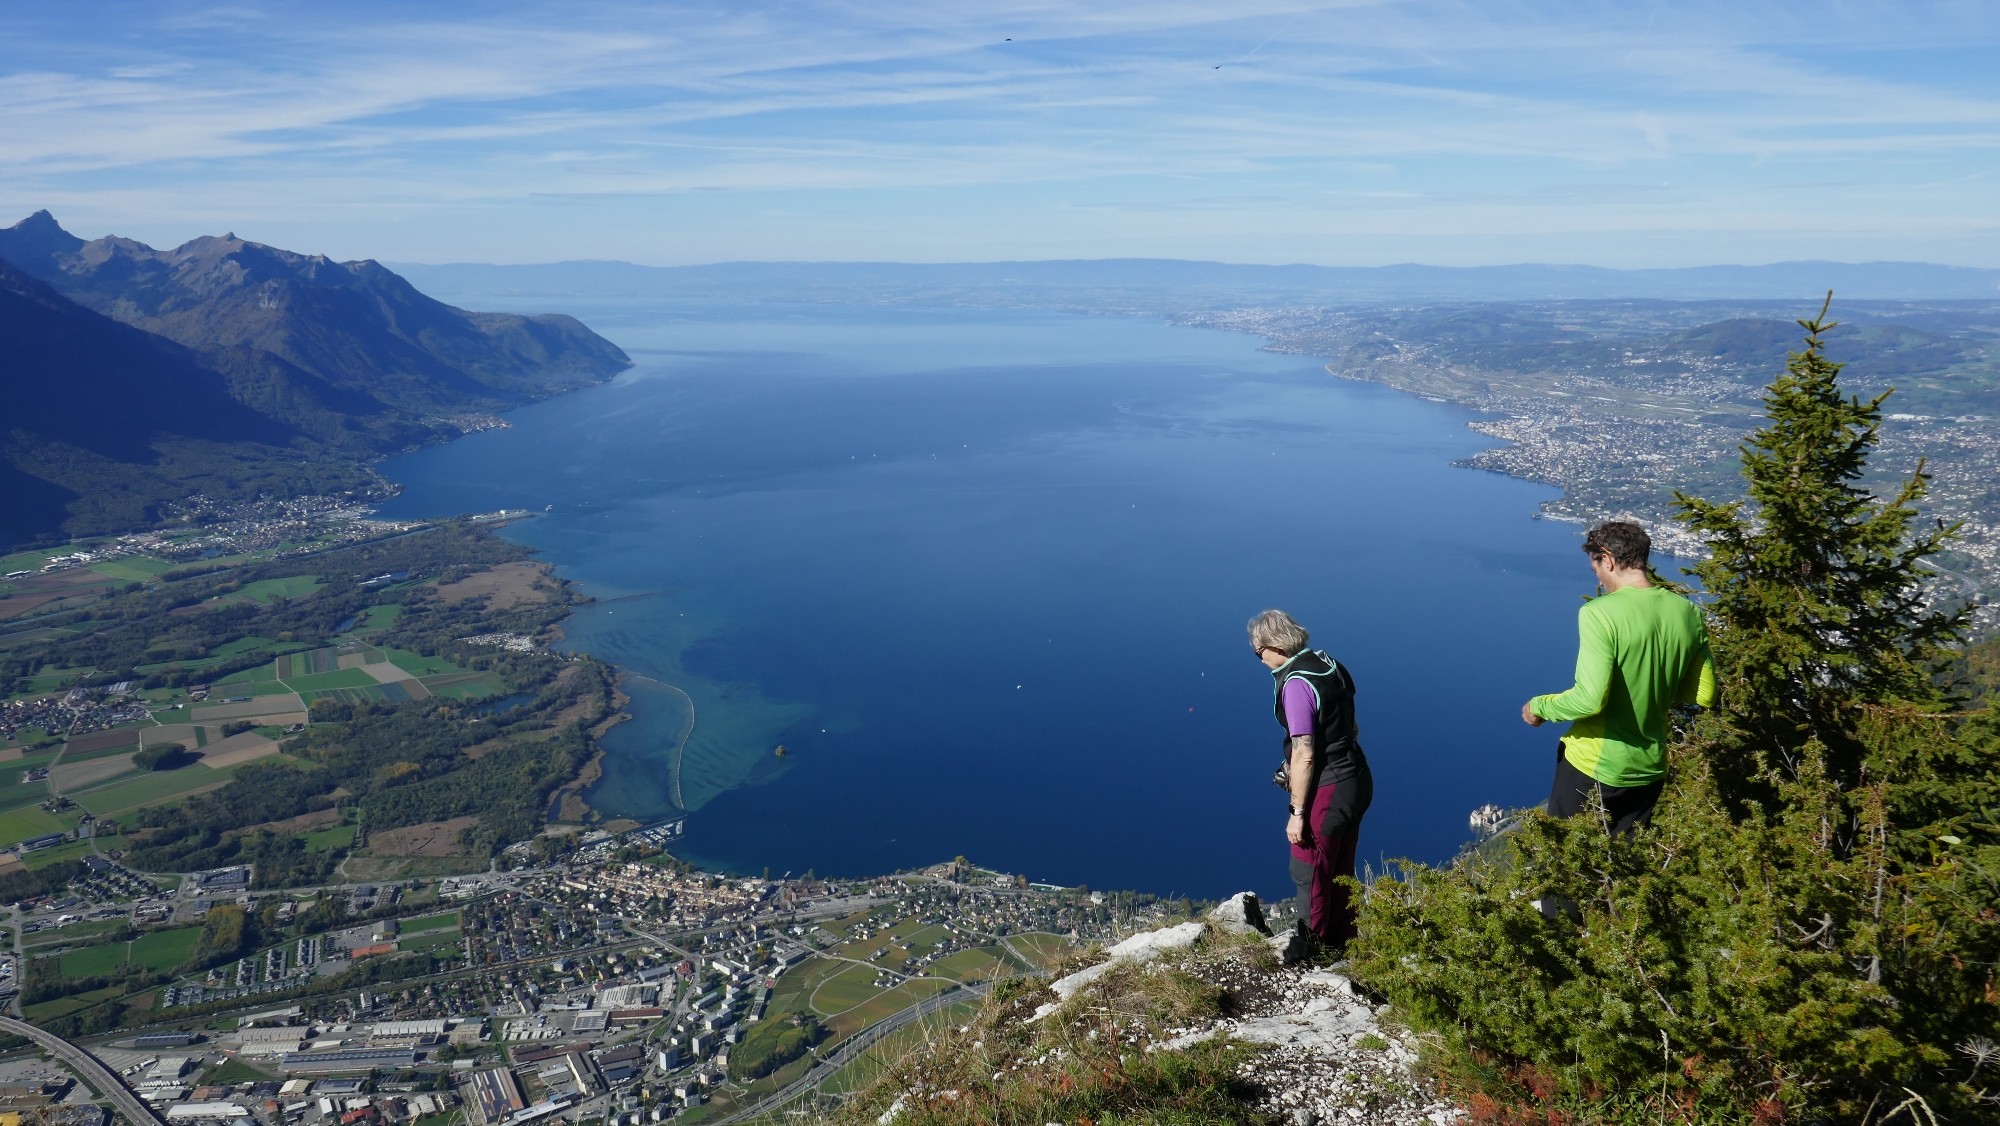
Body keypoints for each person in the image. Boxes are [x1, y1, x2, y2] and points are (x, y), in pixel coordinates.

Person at [1521, 521, 1716, 834]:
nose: (1596, 575)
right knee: (1621, 869)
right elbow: (1704, 693)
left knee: (1566, 865)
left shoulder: (1600, 613)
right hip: (1649, 770)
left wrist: (1539, 707)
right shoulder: (1687, 613)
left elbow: (1589, 699)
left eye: (1596, 566)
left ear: (1607, 559)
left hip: (1593, 766)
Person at [1248, 609, 1373, 949]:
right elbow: (1348, 725)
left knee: (1310, 871)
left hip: (1328, 791)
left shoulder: (1297, 684)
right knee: (1341, 868)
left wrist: (1297, 813)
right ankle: (1347, 946)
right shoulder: (1328, 663)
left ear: (1275, 646)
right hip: (1357, 778)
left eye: (1259, 652)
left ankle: (1313, 951)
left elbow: (1305, 751)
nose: (1259, 660)